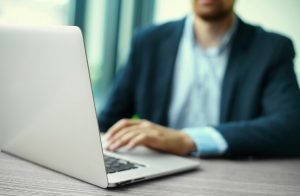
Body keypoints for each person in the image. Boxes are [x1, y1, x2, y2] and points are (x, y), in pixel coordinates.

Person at [98, 0, 300, 157]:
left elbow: (291, 128)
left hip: (232, 178)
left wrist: (187, 140)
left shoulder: (271, 48)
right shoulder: (148, 42)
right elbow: (107, 122)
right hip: (155, 173)